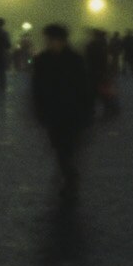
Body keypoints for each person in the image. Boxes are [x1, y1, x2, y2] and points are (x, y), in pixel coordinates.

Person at [31, 24, 93, 197]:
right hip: (53, 112)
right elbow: (37, 88)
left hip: (72, 112)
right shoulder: (43, 60)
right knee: (59, 147)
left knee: (67, 147)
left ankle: (69, 176)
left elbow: (84, 88)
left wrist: (86, 111)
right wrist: (39, 109)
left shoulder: (75, 60)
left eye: (53, 40)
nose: (51, 43)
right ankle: (69, 173)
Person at [85, 28, 119, 119]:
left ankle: (92, 112)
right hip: (100, 71)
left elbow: (89, 59)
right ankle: (110, 109)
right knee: (102, 93)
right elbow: (105, 60)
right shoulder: (103, 45)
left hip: (94, 72)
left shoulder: (92, 45)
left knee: (95, 93)